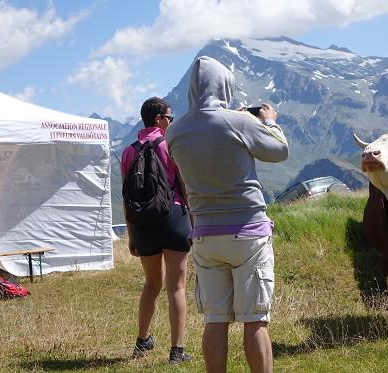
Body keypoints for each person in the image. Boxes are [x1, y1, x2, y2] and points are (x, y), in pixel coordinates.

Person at [166, 56, 288, 373]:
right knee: (255, 321)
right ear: (225, 86)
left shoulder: (175, 132)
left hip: (205, 235)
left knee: (215, 321)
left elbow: (209, 134)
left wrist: (228, 120)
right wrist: (268, 121)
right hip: (248, 234)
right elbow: (279, 151)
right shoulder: (242, 123)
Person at [120, 97, 193, 365]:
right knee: (176, 287)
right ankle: (177, 351)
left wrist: (131, 234)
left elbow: (126, 198)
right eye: (170, 118)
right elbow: (184, 187)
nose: (171, 122)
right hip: (174, 218)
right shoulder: (170, 145)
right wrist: (193, 222)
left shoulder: (129, 152)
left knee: (151, 284)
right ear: (160, 119)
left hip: (143, 225)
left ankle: (142, 341)